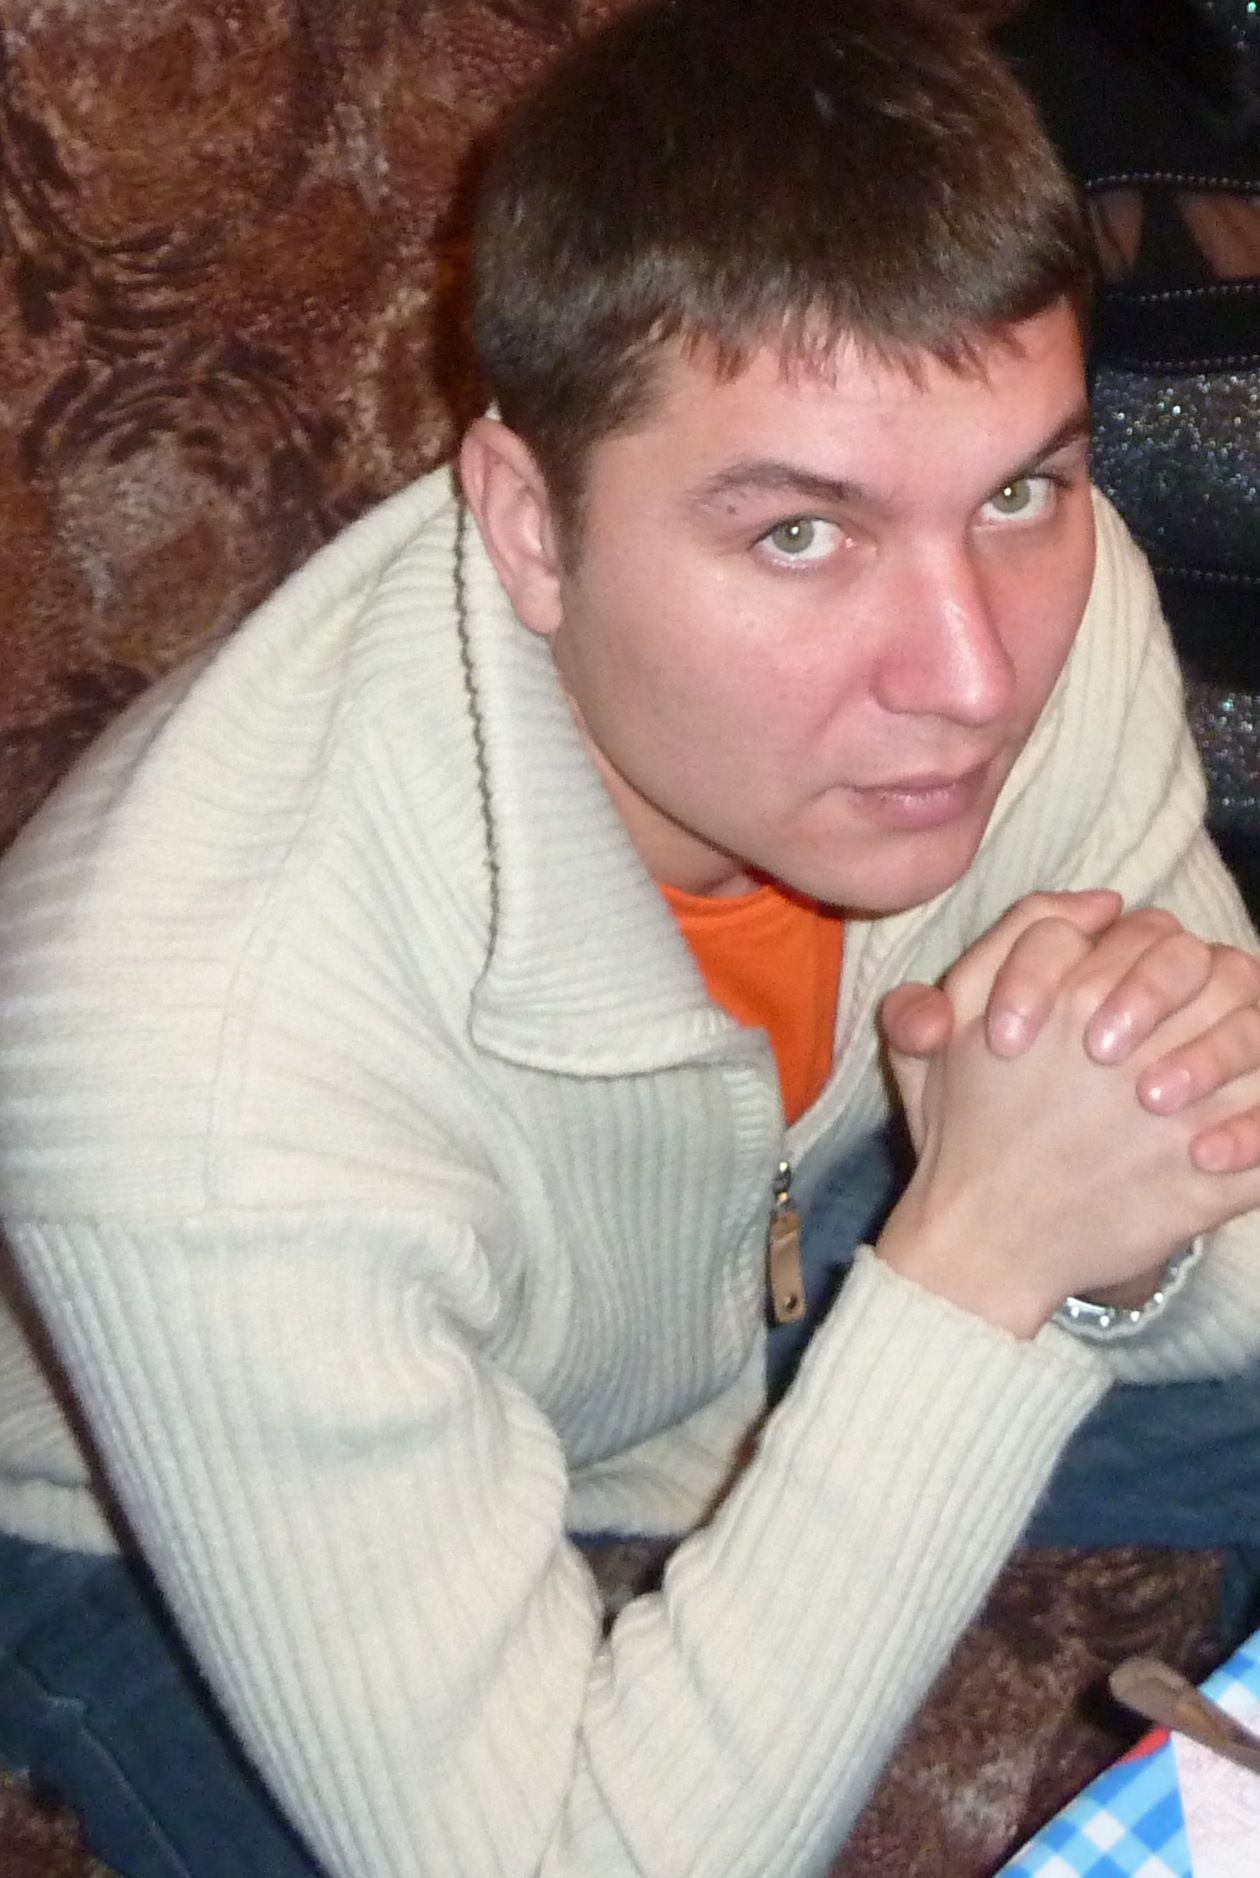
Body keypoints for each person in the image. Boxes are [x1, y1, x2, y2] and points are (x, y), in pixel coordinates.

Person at [2, 1, 1260, 1874]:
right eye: (800, 535)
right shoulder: (193, 1068)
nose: (974, 676)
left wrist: (1103, 1241)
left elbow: (1220, 1208)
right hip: (166, 1486)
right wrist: (981, 1256)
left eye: (1021, 488)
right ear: (527, 522)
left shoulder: (1044, 613)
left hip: (754, 1241)